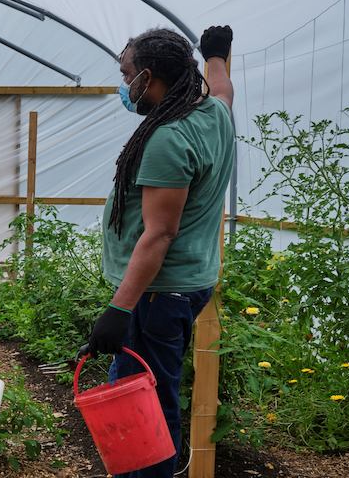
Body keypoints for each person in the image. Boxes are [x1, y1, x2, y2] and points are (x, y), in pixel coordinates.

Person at [85, 25, 235, 478]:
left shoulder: (169, 138)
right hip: (182, 285)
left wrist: (118, 309)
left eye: (126, 73)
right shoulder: (214, 113)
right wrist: (217, 58)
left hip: (157, 294)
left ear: (148, 78)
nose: (123, 84)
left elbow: (159, 233)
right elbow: (225, 91)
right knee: (154, 389)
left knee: (144, 401)